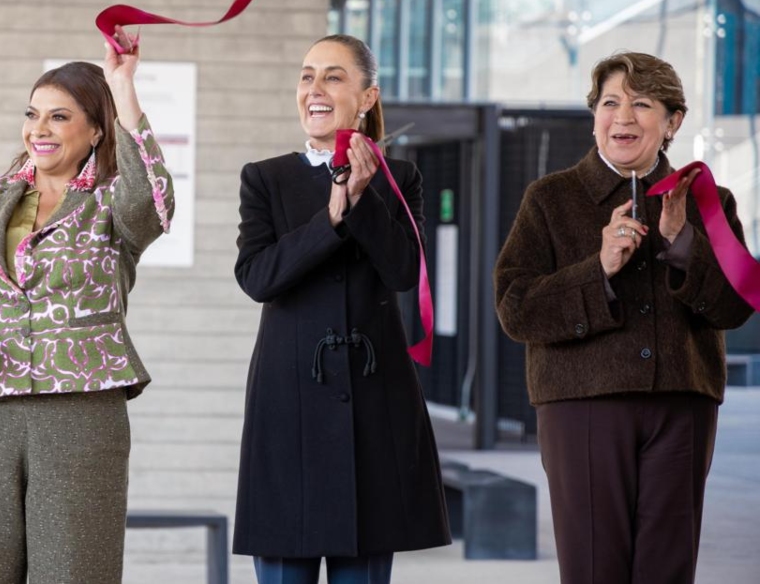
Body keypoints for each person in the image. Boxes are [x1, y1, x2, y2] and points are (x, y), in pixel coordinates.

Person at [0, 29, 174, 584]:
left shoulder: (111, 202)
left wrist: (123, 86)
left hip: (80, 413)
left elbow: (155, 199)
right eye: (33, 114)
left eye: (60, 116)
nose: (39, 128)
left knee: (73, 573)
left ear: (95, 129)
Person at [495, 51, 753, 583]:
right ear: (594, 117)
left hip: (683, 407)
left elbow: (735, 308)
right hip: (581, 409)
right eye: (610, 103)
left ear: (673, 121)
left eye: (642, 104)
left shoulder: (711, 202)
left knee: (669, 570)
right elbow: (516, 309)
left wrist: (684, 244)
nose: (624, 118)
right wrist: (600, 269)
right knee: (595, 569)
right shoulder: (549, 199)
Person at [232, 34, 450, 584]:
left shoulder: (400, 179)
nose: (315, 89)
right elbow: (258, 277)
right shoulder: (266, 177)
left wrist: (364, 197)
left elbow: (404, 272)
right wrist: (329, 218)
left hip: (374, 402)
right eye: (307, 76)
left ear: (367, 96)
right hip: (289, 406)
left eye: (333, 76)